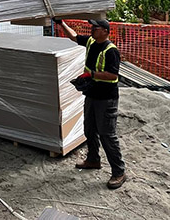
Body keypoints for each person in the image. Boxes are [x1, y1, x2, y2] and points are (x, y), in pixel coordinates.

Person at [54, 18, 126, 189]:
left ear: (105, 31)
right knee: (89, 129)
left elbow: (113, 75)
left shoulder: (111, 51)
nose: (92, 29)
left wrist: (91, 75)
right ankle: (93, 159)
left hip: (106, 99)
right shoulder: (91, 42)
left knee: (107, 134)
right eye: (92, 27)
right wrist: (61, 23)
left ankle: (119, 172)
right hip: (92, 95)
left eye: (96, 27)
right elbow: (74, 37)